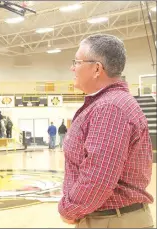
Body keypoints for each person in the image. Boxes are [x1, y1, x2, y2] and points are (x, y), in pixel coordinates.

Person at [58, 34, 154, 228]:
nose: (72, 67)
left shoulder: (110, 108)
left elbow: (98, 177)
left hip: (112, 220)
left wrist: (68, 209)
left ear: (96, 69)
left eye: (76, 62)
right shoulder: (109, 104)